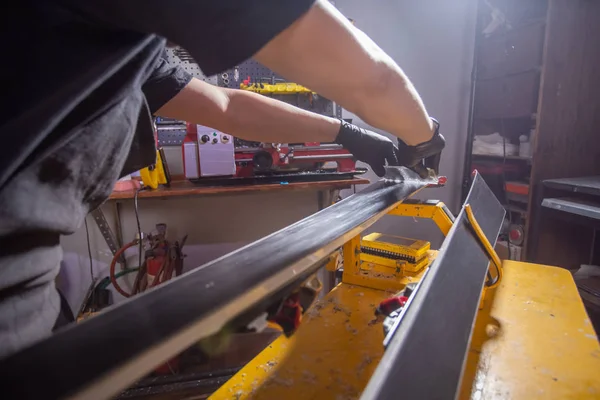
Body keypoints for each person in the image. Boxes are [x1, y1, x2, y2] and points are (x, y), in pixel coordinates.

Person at [0, 0, 444, 358]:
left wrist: (346, 134)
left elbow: (227, 107)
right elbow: (372, 80)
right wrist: (422, 139)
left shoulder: (124, 40)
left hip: (29, 287)